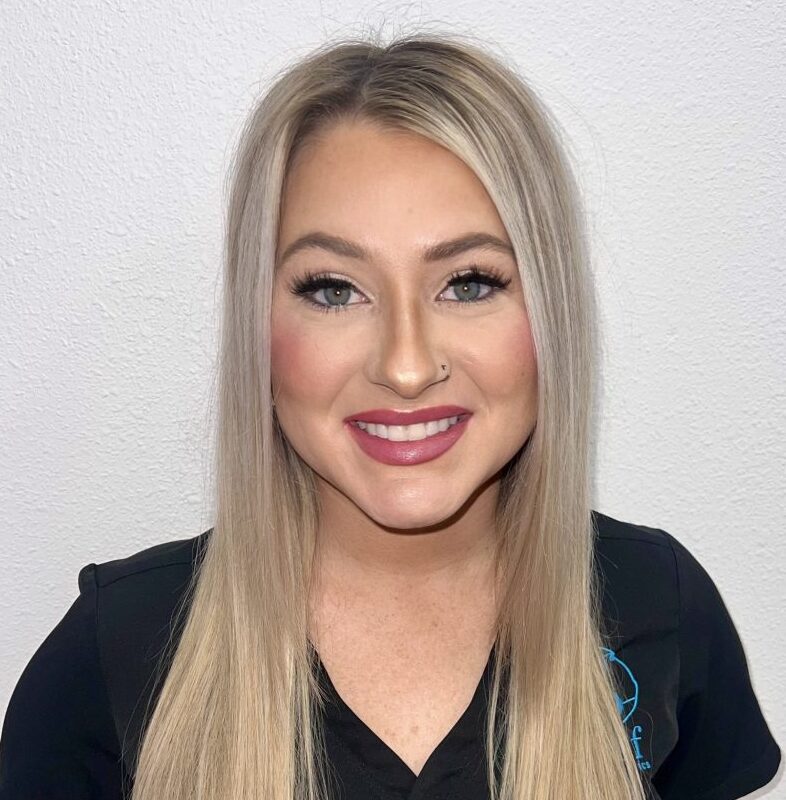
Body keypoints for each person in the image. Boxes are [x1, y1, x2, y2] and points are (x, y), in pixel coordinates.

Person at [0, 32, 780, 800]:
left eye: (469, 283)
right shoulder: (112, 653)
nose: (406, 366)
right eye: (334, 289)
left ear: (552, 312)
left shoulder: (659, 603)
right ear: (257, 329)